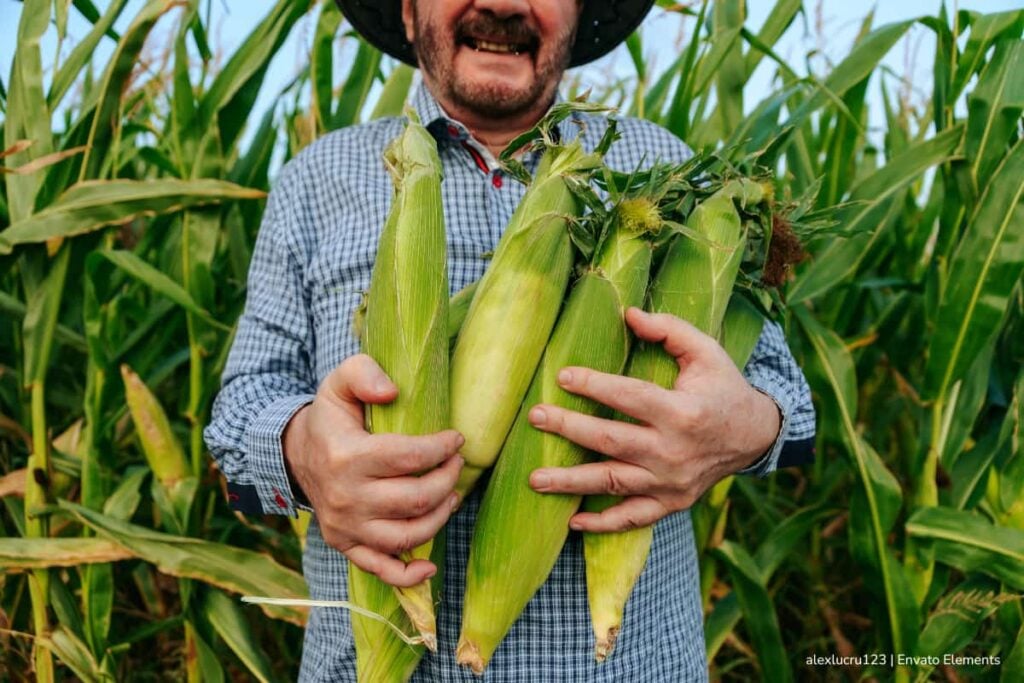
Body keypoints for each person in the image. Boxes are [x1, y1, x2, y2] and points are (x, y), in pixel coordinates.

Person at [205, 0, 816, 679]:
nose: (501, 4)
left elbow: (789, 404)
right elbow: (238, 417)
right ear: (407, 12)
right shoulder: (316, 179)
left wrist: (741, 427)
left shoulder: (673, 175)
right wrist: (303, 453)